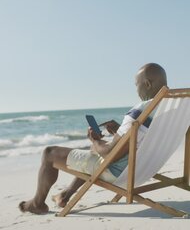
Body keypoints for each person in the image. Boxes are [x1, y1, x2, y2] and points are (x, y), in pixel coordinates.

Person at [19, 62, 167, 214]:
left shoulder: (141, 110)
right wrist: (119, 132)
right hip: (146, 169)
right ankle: (65, 194)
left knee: (49, 153)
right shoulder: (170, 106)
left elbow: (110, 155)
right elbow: (141, 138)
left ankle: (37, 203)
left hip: (120, 173)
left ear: (147, 84)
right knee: (95, 151)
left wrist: (95, 140)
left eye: (137, 85)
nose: (137, 90)